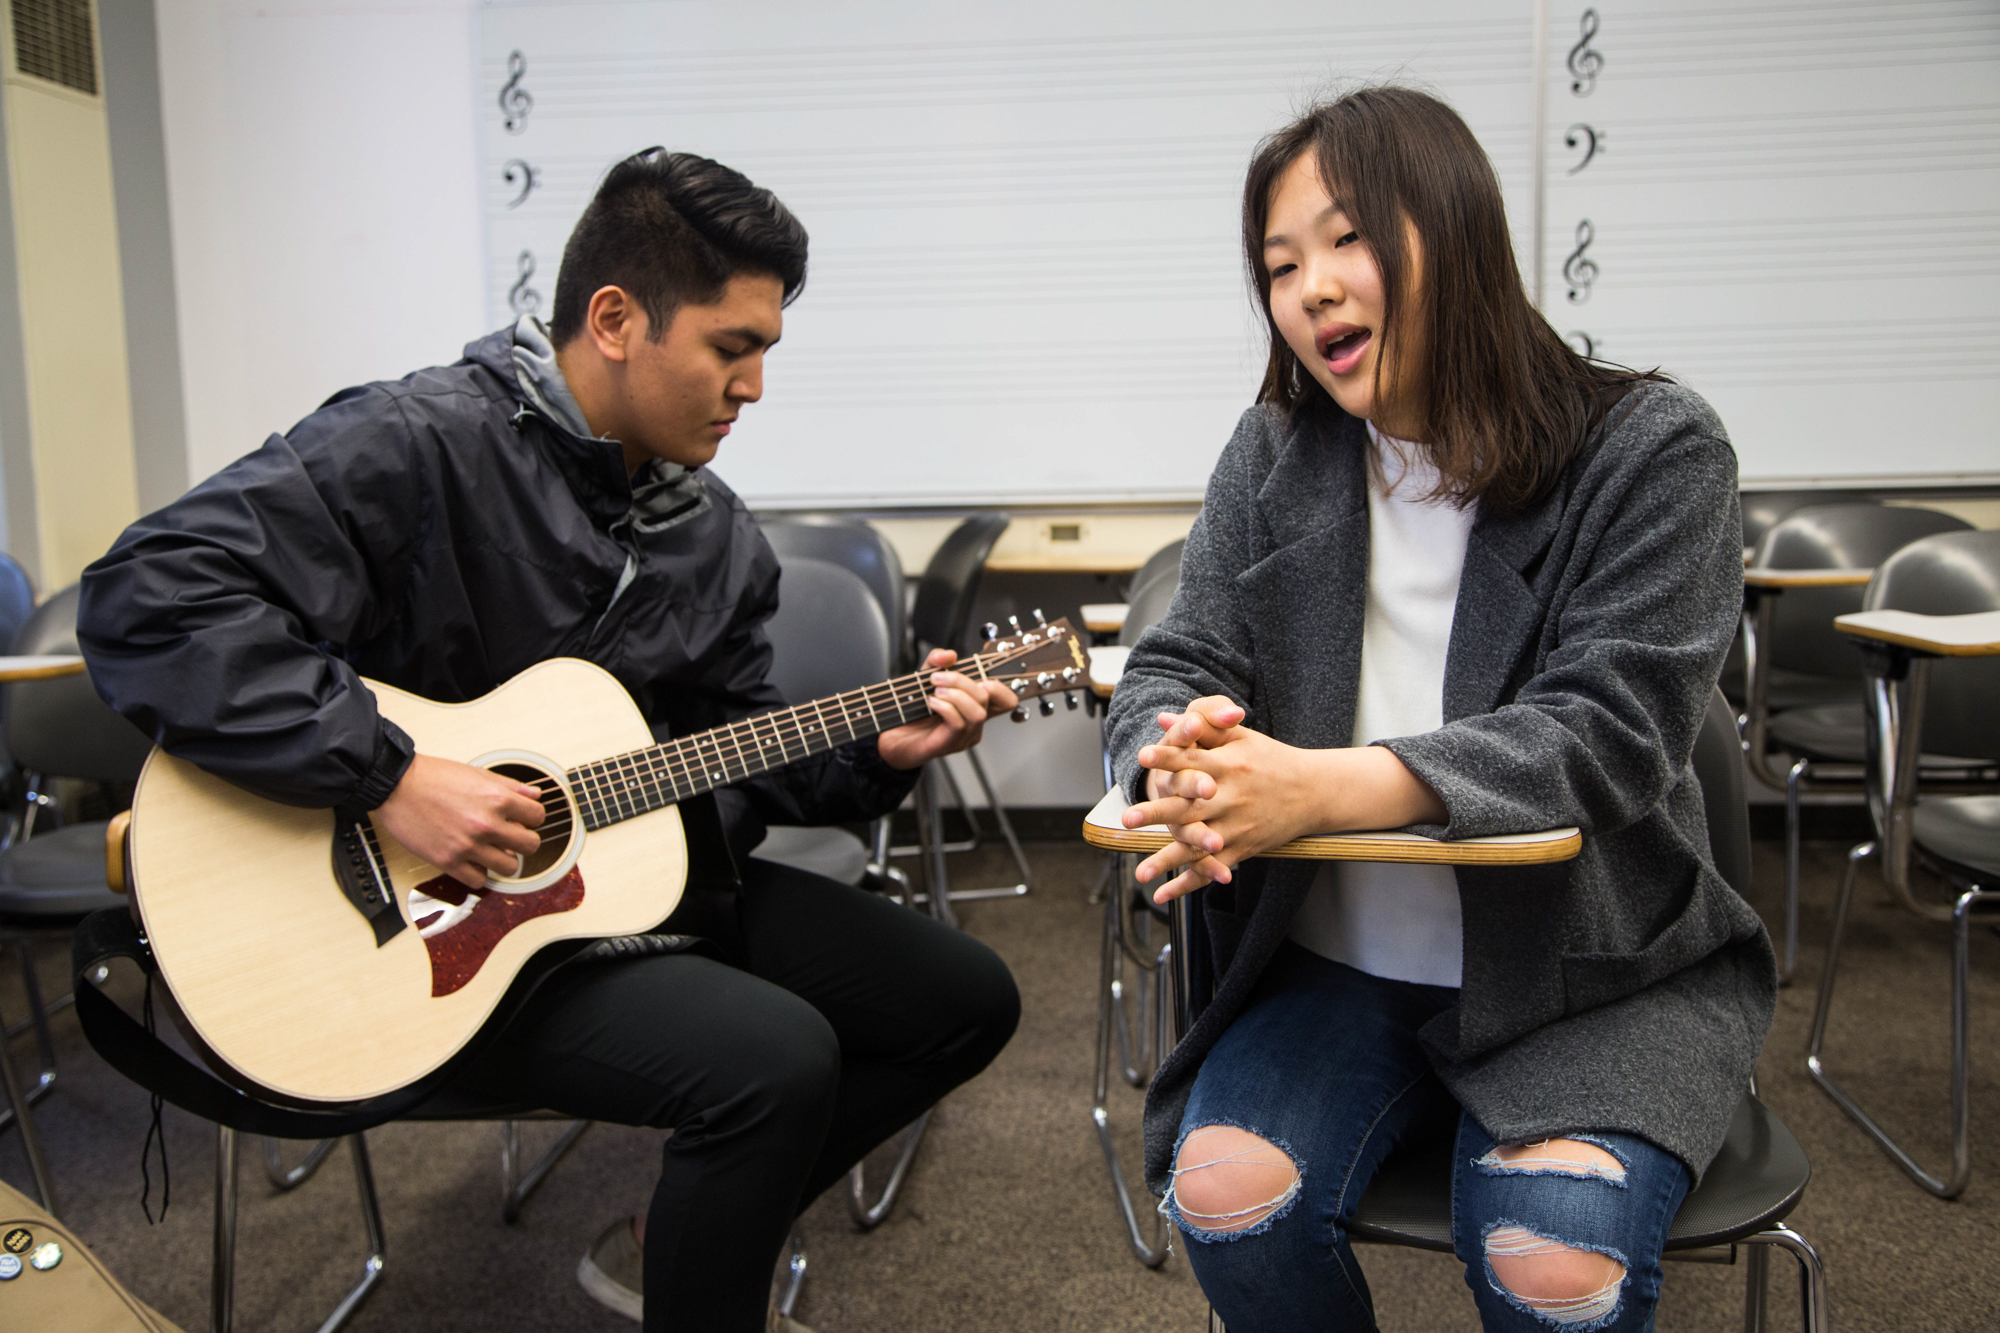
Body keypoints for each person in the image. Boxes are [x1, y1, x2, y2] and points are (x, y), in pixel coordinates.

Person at [78, 149, 1021, 1333]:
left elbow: (722, 753)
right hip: (408, 936)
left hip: (614, 895)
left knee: (964, 997)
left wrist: (869, 754)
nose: (755, 388)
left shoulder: (716, 537)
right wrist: (391, 775)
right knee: (771, 1061)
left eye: (769, 352)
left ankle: (671, 1246)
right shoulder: (419, 443)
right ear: (616, 320)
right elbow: (146, 597)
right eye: (734, 349)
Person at [1105, 88, 1774, 1333]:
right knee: (1223, 1195)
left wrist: (1312, 787)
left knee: (1548, 1264)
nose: (1308, 288)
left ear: (1452, 229)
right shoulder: (1273, 452)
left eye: (1345, 238)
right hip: (1338, 966)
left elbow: (1603, 728)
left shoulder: (1649, 448)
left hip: (1590, 976)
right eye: (1278, 264)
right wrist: (1171, 754)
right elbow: (1179, 651)